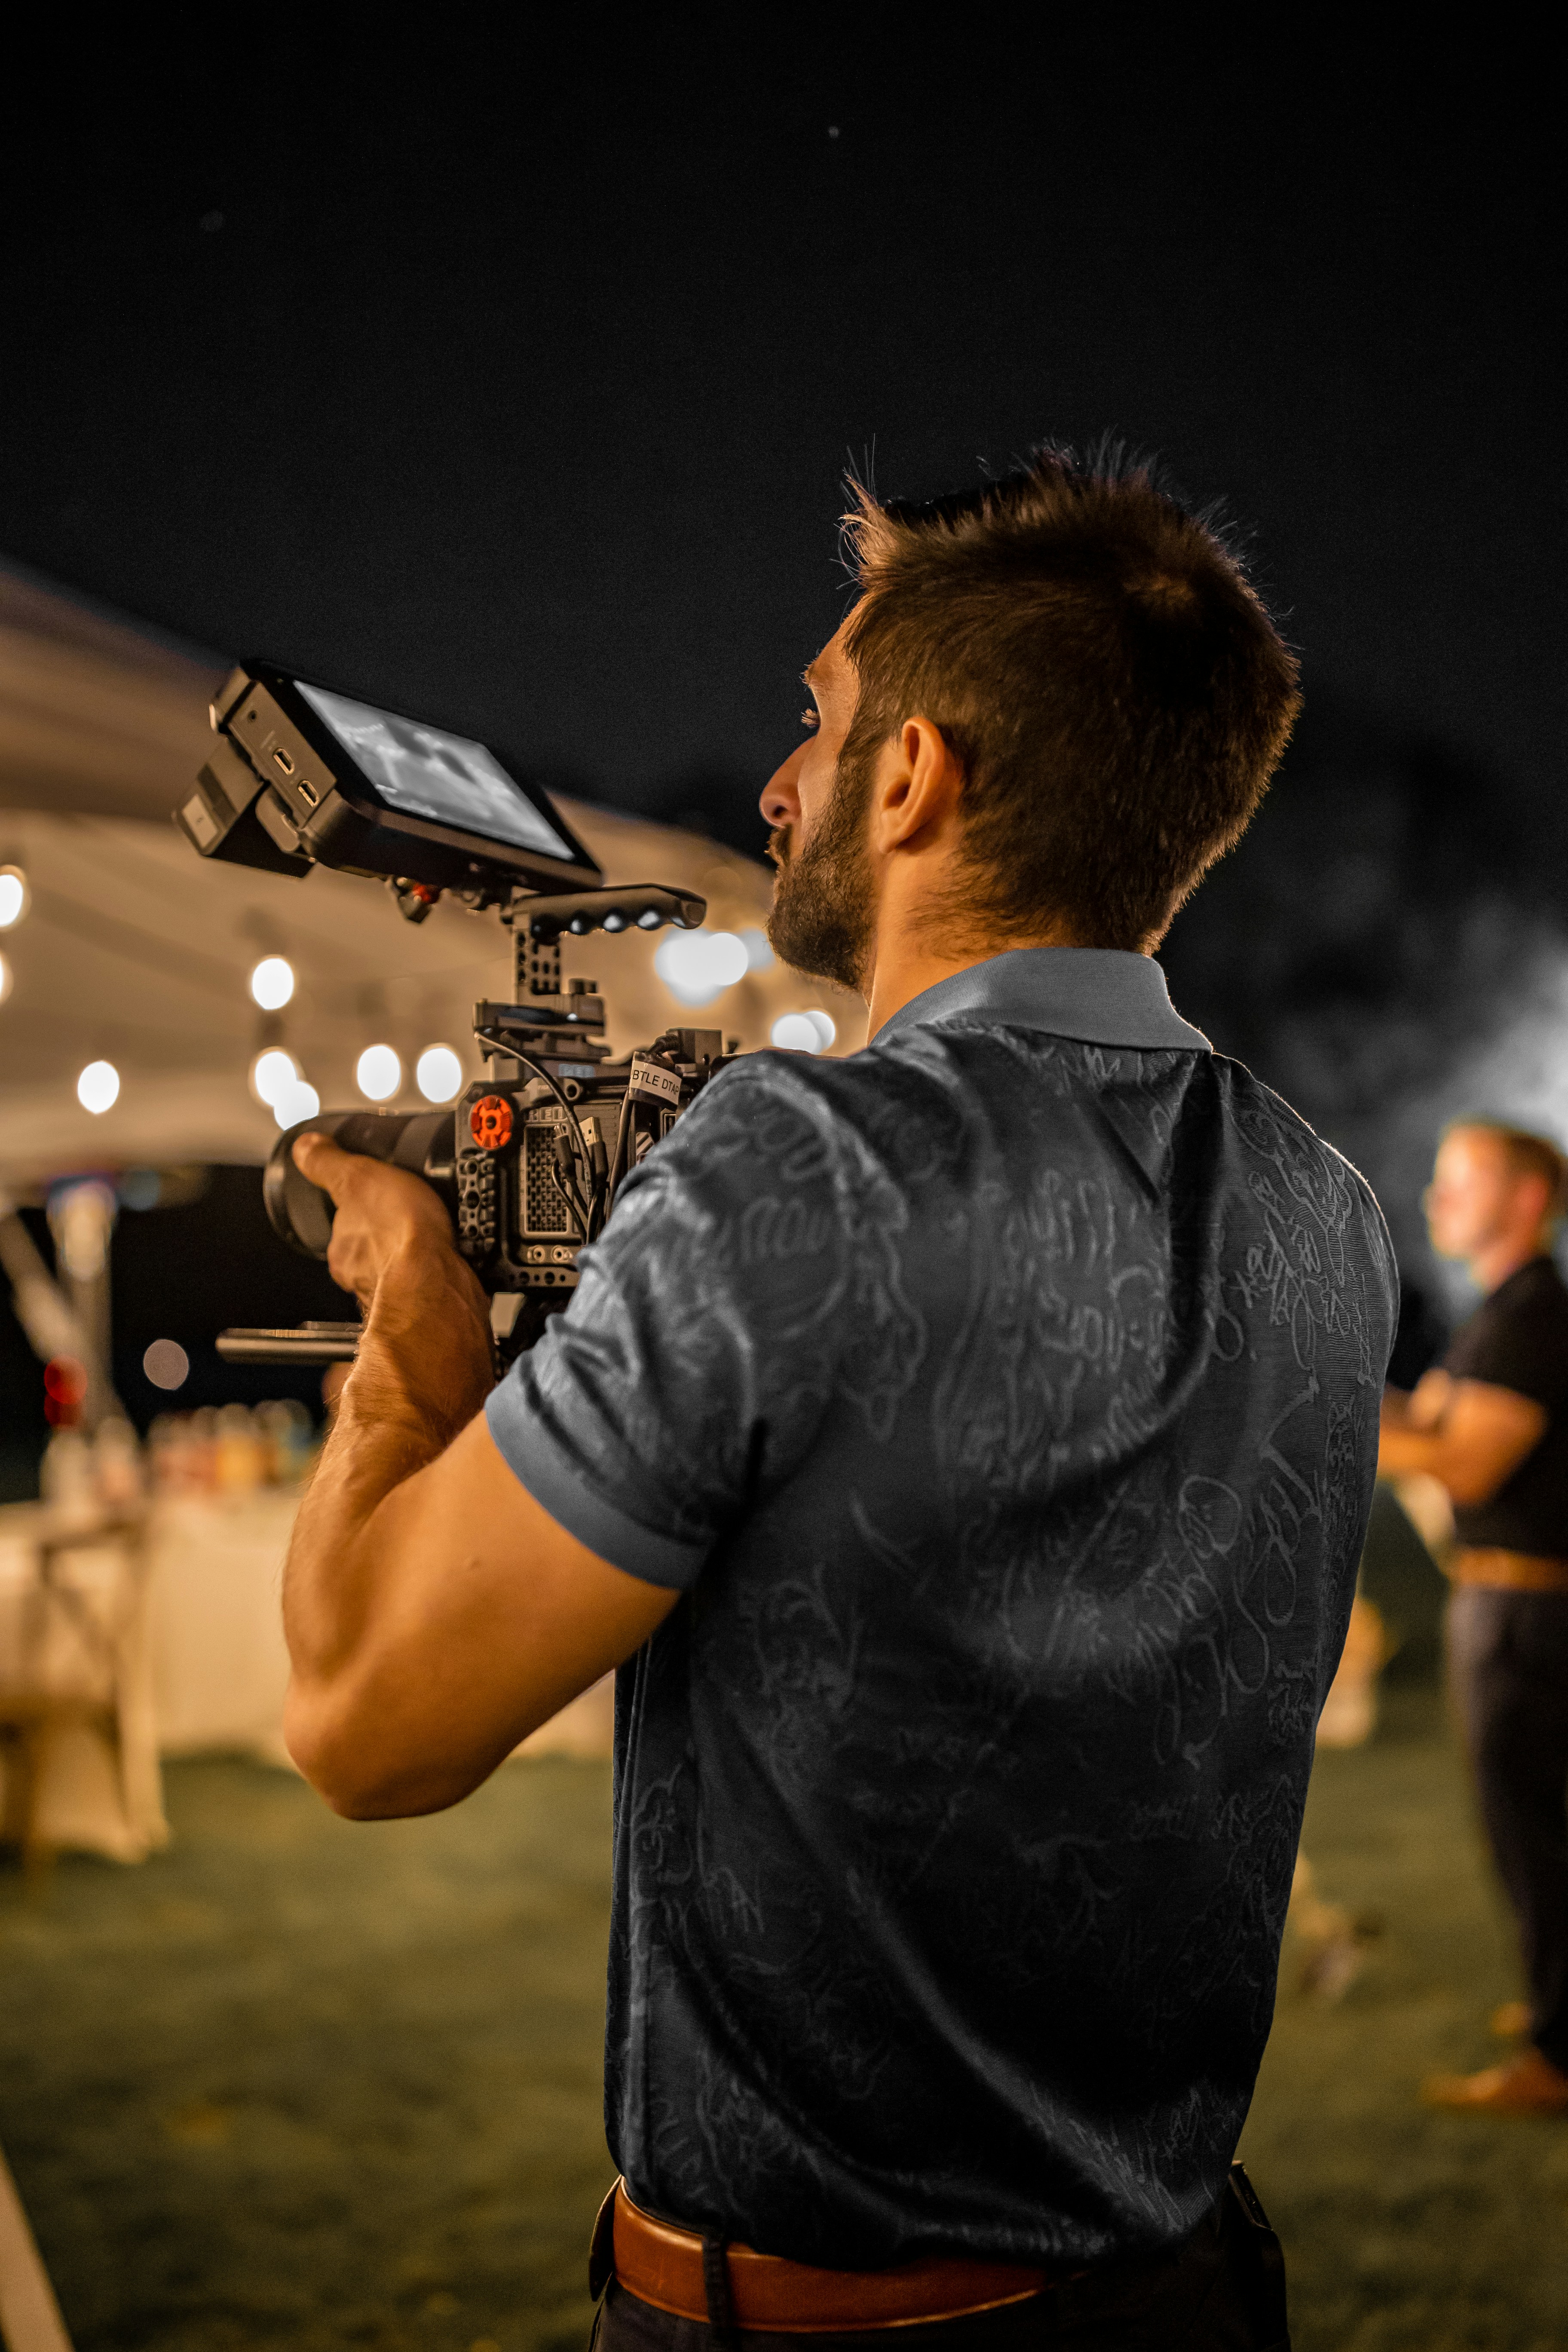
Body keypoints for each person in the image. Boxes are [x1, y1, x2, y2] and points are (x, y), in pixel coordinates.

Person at [282, 447, 1396, 2348]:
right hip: (1179, 2285)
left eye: (818, 718)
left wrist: (413, 1331)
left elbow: (365, 1723)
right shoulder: (1325, 1205)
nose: (783, 779)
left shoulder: (798, 1168)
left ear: (914, 776)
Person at [1379, 1119, 1568, 2114]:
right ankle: (1560, 2003)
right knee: (1531, 1828)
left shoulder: (1536, 1314)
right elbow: (1427, 1419)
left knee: (1538, 1831)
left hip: (1530, 1613)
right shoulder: (1501, 1311)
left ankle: (1558, 2052)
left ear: (1528, 1199)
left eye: (1462, 1181)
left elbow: (1465, 1459)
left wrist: (1330, 1419)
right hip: (1504, 1604)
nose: (1436, 1199)